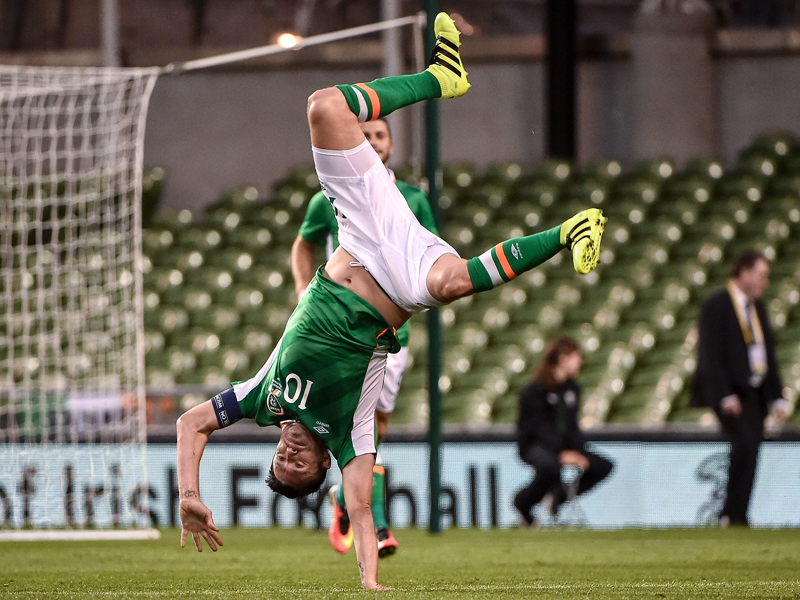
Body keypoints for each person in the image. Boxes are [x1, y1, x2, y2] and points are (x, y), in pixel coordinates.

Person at [176, 12, 607, 590]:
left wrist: (189, 495)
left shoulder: (262, 398)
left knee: (323, 105)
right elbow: (359, 509)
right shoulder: (348, 433)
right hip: (400, 282)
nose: (289, 451)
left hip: (359, 237)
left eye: (280, 457)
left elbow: (191, 423)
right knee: (453, 284)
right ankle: (569, 231)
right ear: (322, 465)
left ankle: (440, 76)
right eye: (297, 464)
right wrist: (370, 585)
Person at [291, 117, 438, 558]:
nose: (372, 142)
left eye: (380, 135)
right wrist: (304, 290)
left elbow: (429, 248)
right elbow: (303, 245)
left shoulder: (412, 198)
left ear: (391, 144)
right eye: (366, 134)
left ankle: (345, 495)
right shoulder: (330, 197)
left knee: (378, 425)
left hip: (395, 327)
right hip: (343, 324)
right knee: (361, 423)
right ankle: (375, 521)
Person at [691, 250, 789, 527]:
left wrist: (777, 396)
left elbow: (767, 354)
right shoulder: (717, 305)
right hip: (732, 393)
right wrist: (724, 394)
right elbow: (709, 354)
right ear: (743, 272)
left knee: (752, 448)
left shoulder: (758, 308)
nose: (764, 282)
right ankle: (731, 514)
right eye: (761, 275)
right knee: (744, 445)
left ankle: (738, 514)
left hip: (755, 392)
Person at [513, 337, 613, 527]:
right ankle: (523, 502)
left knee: (602, 466)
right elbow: (537, 428)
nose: (580, 362)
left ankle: (557, 497)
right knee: (551, 466)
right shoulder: (534, 390)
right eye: (577, 357)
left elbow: (572, 427)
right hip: (534, 445)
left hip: (563, 447)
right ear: (563, 358)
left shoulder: (572, 389)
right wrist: (562, 453)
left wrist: (577, 450)